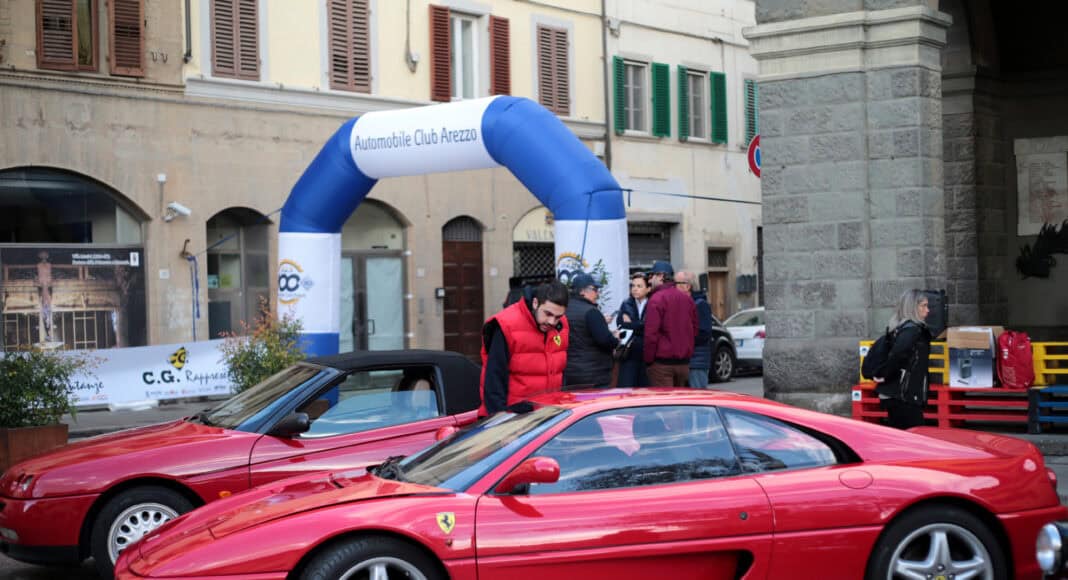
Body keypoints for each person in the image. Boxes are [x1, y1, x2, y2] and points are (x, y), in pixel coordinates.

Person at [479, 280, 570, 416]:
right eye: (548, 314)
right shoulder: (507, 324)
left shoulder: (562, 324)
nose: (552, 322)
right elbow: (494, 380)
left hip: (548, 415)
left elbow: (561, 371)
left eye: (558, 317)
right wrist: (499, 422)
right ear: (535, 303)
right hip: (513, 418)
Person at [874, 289, 932, 429]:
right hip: (902, 396)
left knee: (905, 436)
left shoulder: (904, 328)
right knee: (913, 437)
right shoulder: (912, 330)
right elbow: (897, 355)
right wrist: (883, 374)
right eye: (923, 305)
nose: (928, 310)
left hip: (903, 395)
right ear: (912, 307)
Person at [643, 260, 698, 386]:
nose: (650, 281)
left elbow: (651, 334)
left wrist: (648, 360)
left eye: (652, 276)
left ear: (661, 276)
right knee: (680, 404)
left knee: (664, 404)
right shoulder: (687, 299)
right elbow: (694, 330)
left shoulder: (656, 299)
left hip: (662, 365)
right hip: (683, 364)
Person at [563, 273, 619, 388]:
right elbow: (605, 340)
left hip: (570, 373)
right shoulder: (591, 312)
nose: (597, 293)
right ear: (582, 291)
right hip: (593, 374)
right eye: (594, 289)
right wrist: (616, 338)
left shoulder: (565, 309)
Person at [675, 271, 713, 388]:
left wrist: (681, 337)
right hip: (686, 361)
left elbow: (704, 333)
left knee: (698, 400)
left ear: (687, 286)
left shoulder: (700, 304)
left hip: (697, 362)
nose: (673, 287)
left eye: (676, 283)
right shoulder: (683, 303)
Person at [616, 272, 651, 387]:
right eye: (633, 286)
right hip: (629, 351)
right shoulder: (626, 303)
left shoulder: (652, 303)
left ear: (648, 289)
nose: (635, 289)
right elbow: (621, 325)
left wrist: (633, 325)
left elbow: (649, 327)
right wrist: (640, 325)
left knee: (645, 389)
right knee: (626, 388)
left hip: (647, 352)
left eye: (639, 286)